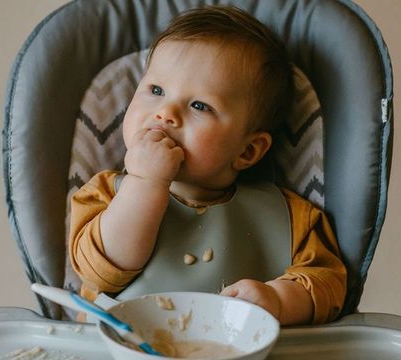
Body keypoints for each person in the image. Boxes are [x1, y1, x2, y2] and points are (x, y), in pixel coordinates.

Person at [69, 5, 346, 325]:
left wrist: (279, 300)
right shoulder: (105, 195)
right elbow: (101, 273)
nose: (165, 113)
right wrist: (144, 182)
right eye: (156, 90)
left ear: (249, 150)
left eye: (199, 105)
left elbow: (329, 285)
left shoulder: (289, 216)